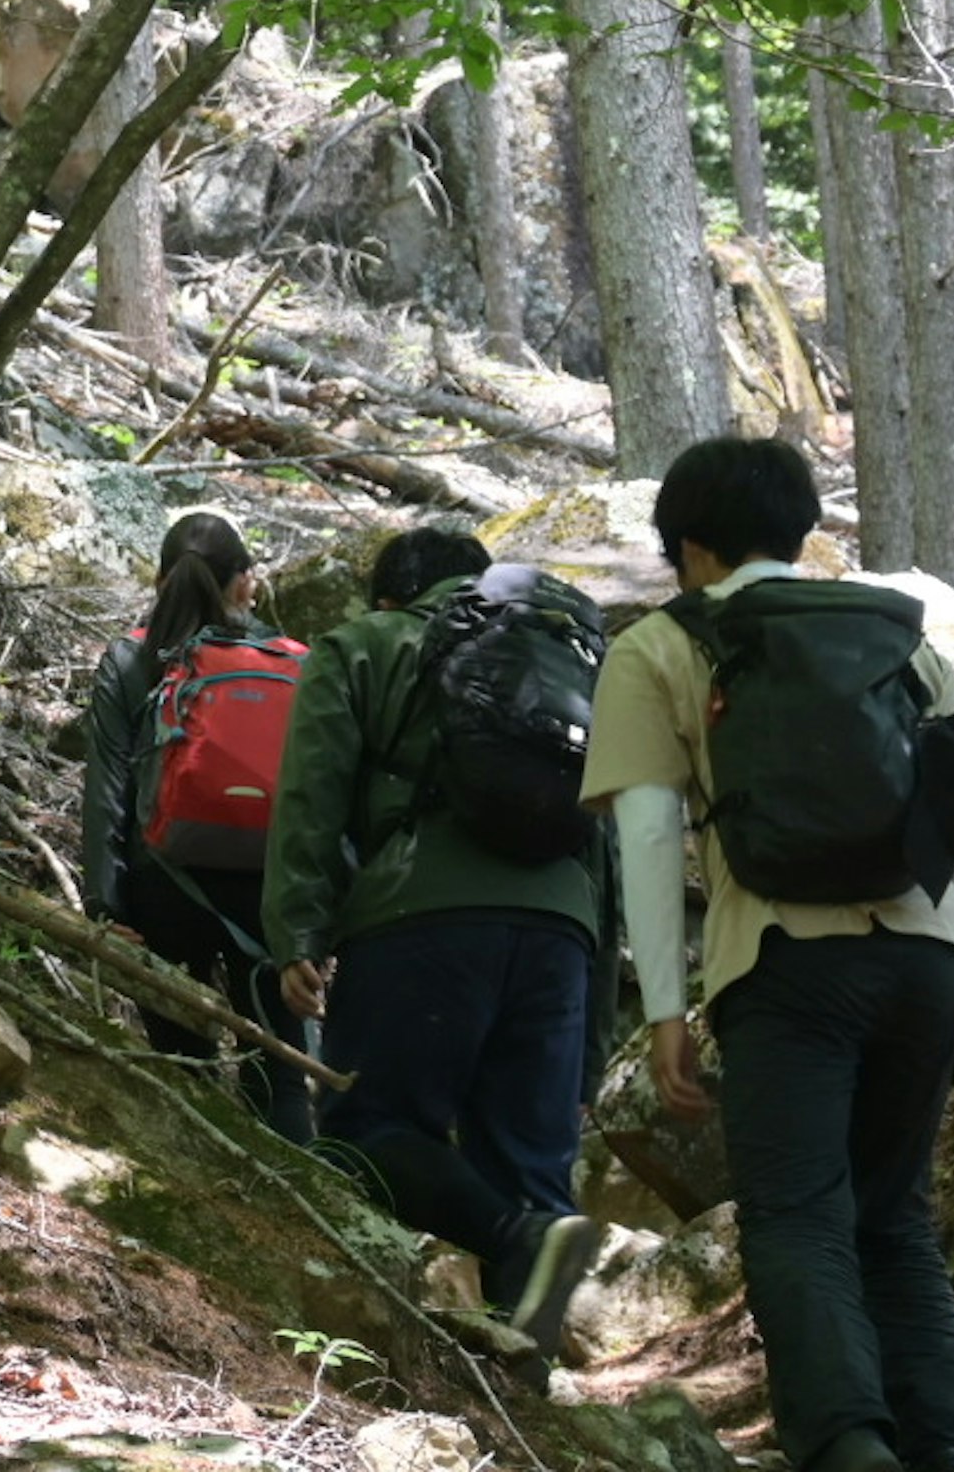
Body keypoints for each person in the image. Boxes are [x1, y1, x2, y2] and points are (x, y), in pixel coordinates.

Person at [580, 436, 954, 1472]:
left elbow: (649, 835)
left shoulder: (659, 647)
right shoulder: (899, 640)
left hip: (782, 963)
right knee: (896, 1214)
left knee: (797, 1217)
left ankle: (845, 1445)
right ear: (801, 532)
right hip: (926, 964)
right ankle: (938, 1446)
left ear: (689, 548)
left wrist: (664, 1011)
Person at [265, 527, 612, 1360]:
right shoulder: (562, 665)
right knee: (530, 1164)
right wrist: (593, 1041)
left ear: (391, 597)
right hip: (563, 934)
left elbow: (310, 797)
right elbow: (606, 845)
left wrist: (299, 932)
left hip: (420, 916)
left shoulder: (367, 644)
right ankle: (522, 1392)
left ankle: (510, 1238)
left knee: (367, 1127)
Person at [80, 509, 317, 1141]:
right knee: (282, 1067)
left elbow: (106, 788)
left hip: (163, 882)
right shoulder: (289, 662)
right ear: (244, 582)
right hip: (262, 888)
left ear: (160, 581)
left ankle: (212, 1197)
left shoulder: (131, 657)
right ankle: (302, 1209)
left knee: (184, 1064)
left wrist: (105, 901)